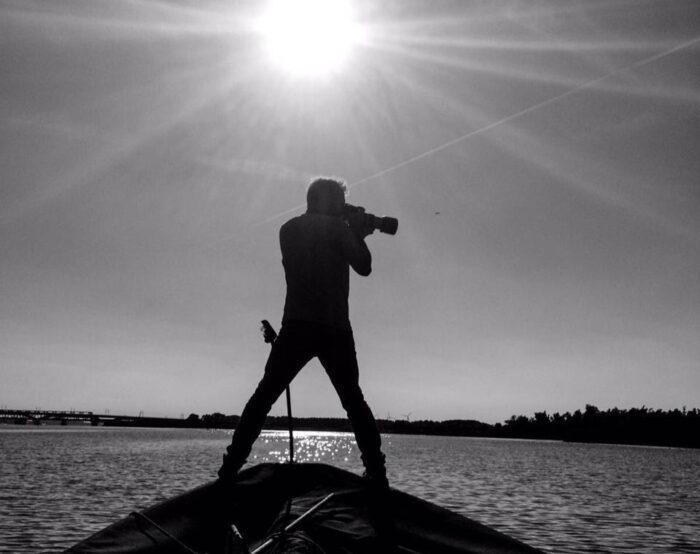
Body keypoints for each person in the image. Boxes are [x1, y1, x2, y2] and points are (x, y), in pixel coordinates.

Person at [218, 177, 388, 489]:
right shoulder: (338, 229)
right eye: (340, 202)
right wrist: (359, 233)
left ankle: (229, 468)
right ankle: (376, 473)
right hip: (334, 328)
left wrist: (349, 226)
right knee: (354, 402)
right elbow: (364, 266)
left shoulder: (288, 229)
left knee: (263, 397)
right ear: (329, 202)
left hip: (296, 324)